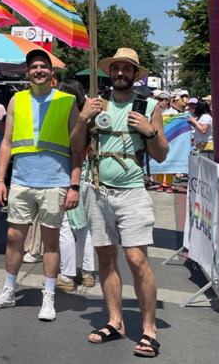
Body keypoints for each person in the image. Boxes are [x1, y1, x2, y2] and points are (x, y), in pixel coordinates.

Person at [72, 48, 168, 358]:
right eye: (116, 68)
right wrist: (83, 119)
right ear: (109, 72)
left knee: (137, 260)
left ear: (136, 74)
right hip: (98, 191)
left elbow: (161, 154)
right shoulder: (96, 105)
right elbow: (75, 146)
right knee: (105, 259)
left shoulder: (148, 106)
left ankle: (149, 329)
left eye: (127, 68)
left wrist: (150, 132)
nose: (120, 73)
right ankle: (115, 322)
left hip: (132, 193)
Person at [0, 49, 81, 321]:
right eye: (34, 66)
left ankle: (48, 297)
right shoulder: (17, 100)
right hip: (21, 180)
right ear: (27, 72)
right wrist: (0, 179)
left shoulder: (67, 101)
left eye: (43, 66)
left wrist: (74, 185)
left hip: (55, 182)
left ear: (52, 72)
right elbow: (7, 142)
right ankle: (8, 291)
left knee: (50, 242)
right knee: (14, 237)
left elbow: (77, 147)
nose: (39, 70)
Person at [53, 79, 95, 291]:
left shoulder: (69, 118)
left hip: (71, 173)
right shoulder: (89, 118)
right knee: (83, 227)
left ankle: (68, 275)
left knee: (66, 227)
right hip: (88, 173)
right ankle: (87, 273)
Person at [151, 91, 177, 192]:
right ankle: (160, 184)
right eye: (159, 99)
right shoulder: (155, 112)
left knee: (170, 162)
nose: (160, 101)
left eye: (162, 99)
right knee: (160, 161)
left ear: (167, 101)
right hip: (159, 140)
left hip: (171, 140)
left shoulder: (174, 112)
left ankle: (169, 184)